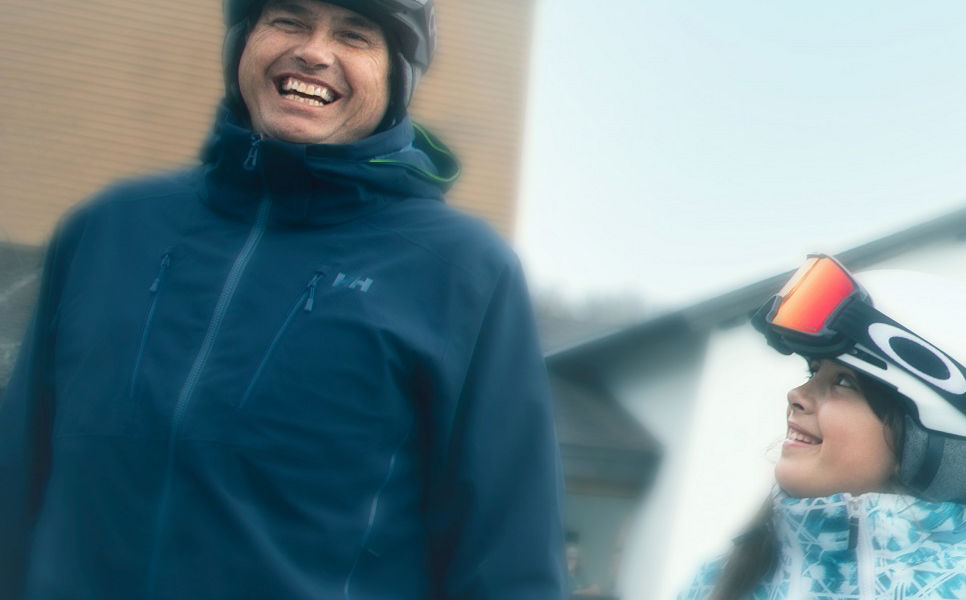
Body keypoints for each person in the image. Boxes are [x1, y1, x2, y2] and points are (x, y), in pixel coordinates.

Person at [0, 0, 567, 597]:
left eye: (354, 35)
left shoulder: (463, 272)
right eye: (288, 21)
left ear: (397, 79)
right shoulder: (108, 229)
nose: (315, 52)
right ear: (244, 41)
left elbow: (510, 563)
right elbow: (16, 477)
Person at [683, 256, 966, 600]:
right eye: (813, 371)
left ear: (929, 443)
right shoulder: (717, 581)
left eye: (843, 382)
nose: (796, 395)